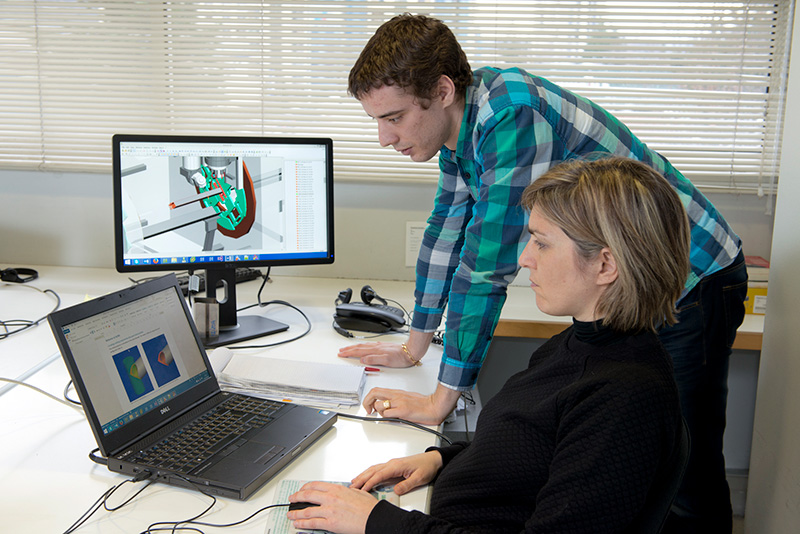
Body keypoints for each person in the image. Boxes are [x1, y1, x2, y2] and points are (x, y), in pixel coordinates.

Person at [337, 14, 747, 533]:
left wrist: (442, 402)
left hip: (694, 272)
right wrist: (413, 348)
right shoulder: (461, 127)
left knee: (684, 476)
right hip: (613, 282)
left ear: (441, 91)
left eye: (394, 117)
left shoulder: (511, 116)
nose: (383, 138)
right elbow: (445, 233)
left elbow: (485, 268)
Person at [289, 156, 688, 533]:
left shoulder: (622, 398)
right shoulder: (576, 345)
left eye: (542, 243)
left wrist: (377, 522)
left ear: (605, 265)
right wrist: (441, 460)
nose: (525, 258)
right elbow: (527, 451)